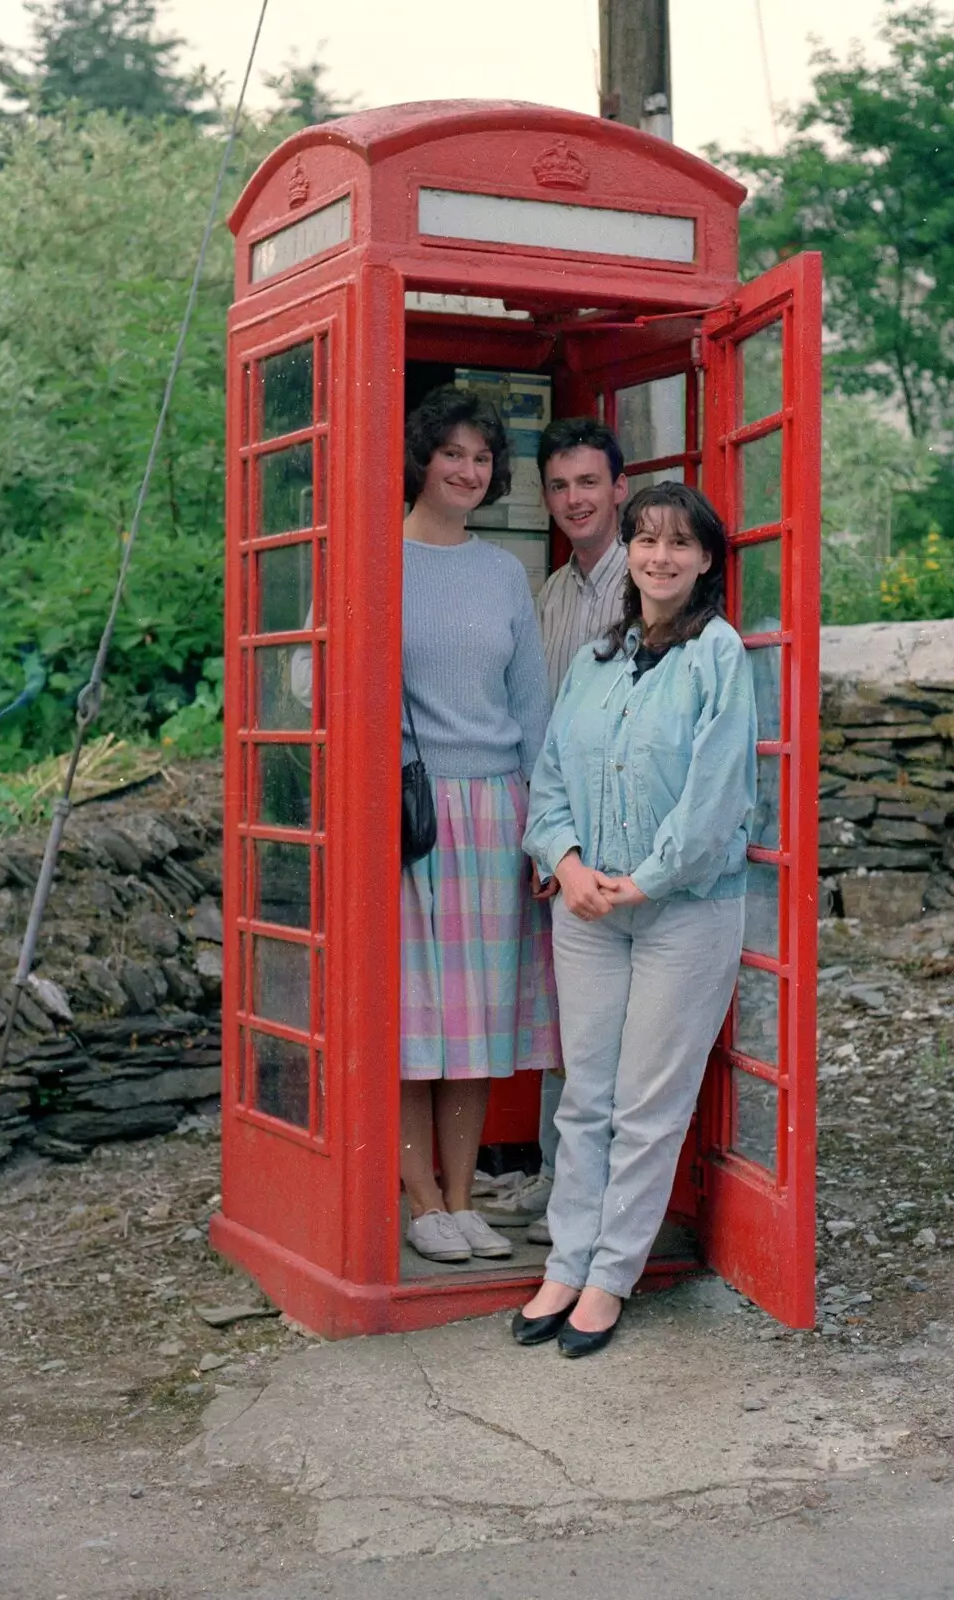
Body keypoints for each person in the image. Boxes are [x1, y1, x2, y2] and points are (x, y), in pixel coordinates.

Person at [517, 481, 757, 1356]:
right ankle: (564, 1262)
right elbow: (548, 779)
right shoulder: (595, 660)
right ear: (631, 552)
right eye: (646, 540)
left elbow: (715, 796)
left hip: (681, 912)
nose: (660, 557)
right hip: (586, 904)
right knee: (585, 1098)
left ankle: (610, 1277)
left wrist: (642, 881)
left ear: (704, 561)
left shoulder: (720, 657)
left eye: (679, 544)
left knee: (648, 1105)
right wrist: (567, 862)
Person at [397, 384, 559, 1264]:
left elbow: (530, 704)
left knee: (475, 1021)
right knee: (410, 1017)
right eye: (452, 453)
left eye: (482, 457)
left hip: (497, 811)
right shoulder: (373, 555)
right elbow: (315, 682)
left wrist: (544, 827)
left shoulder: (502, 571)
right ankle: (419, 1196)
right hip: (410, 817)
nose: (467, 470)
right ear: (422, 458)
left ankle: (462, 1199)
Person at [477, 418, 629, 1245]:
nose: (575, 499)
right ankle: (555, 1179)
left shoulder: (639, 585)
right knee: (560, 1013)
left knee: (601, 1027)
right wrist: (545, 838)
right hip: (557, 831)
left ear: (619, 489)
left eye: (588, 483)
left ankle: (595, 1200)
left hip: (614, 837)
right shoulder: (553, 592)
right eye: (561, 485)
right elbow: (535, 721)